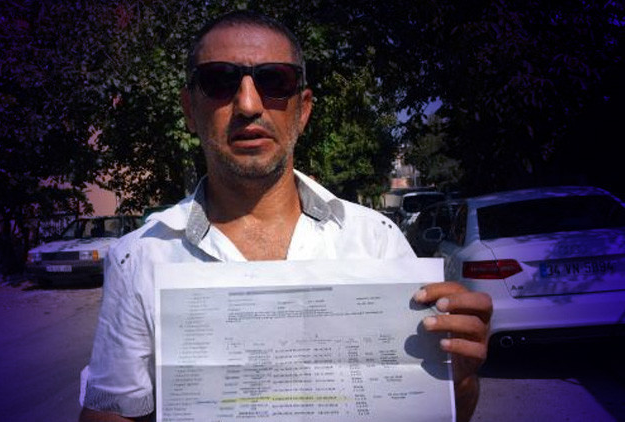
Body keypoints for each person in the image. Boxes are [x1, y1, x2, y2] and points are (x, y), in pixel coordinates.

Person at [80, 10, 492, 422]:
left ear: (303, 109)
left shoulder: (376, 241)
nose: (248, 104)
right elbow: (111, 413)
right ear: (190, 109)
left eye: (275, 81)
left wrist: (458, 379)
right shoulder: (141, 257)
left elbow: (434, 412)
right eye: (219, 81)